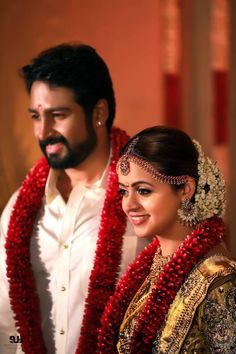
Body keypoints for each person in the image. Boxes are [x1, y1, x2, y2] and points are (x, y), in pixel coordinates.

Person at [0, 43, 148, 354]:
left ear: (98, 112)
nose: (44, 132)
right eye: (36, 116)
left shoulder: (146, 198)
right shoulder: (19, 210)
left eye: (58, 115)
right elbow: (6, 325)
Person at [97, 126, 236, 353]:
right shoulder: (149, 269)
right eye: (124, 191)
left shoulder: (219, 281)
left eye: (143, 191)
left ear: (186, 190)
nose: (128, 204)